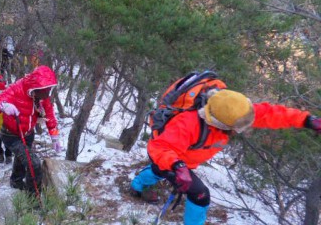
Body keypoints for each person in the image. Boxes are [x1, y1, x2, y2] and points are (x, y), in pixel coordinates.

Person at [130, 89, 321, 225]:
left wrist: (307, 120)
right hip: (171, 156)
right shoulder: (188, 123)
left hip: (182, 158)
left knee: (158, 171)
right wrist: (178, 166)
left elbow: (272, 114)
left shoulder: (235, 109)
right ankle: (139, 186)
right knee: (200, 195)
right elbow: (159, 147)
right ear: (220, 123)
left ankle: (136, 186)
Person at [0, 65, 63, 195]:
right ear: (36, 87)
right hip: (11, 134)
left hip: (28, 133)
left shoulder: (42, 95)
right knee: (34, 165)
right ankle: (33, 198)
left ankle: (16, 181)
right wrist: (2, 106)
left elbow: (49, 114)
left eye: (49, 90)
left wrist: (54, 135)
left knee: (22, 159)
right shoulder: (15, 90)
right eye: (45, 90)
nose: (47, 94)